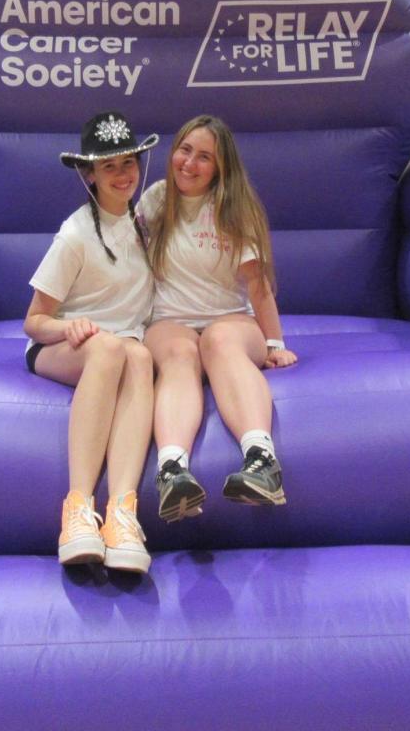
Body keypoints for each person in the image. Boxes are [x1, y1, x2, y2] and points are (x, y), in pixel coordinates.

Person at [140, 114, 298, 523]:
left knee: (217, 341)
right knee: (180, 353)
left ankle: (262, 461)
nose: (189, 163)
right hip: (170, 320)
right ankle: (172, 471)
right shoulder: (156, 200)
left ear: (220, 167)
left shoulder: (234, 209)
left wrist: (275, 343)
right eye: (185, 150)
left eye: (204, 157)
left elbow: (258, 286)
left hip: (230, 321)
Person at [24, 111, 158, 573]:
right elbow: (34, 322)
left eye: (128, 163)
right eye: (109, 166)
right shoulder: (75, 234)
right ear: (90, 175)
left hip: (122, 346)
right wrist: (69, 328)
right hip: (63, 346)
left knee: (138, 355)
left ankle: (122, 512)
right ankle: (78, 510)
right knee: (110, 347)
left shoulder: (146, 223)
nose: (122, 175)